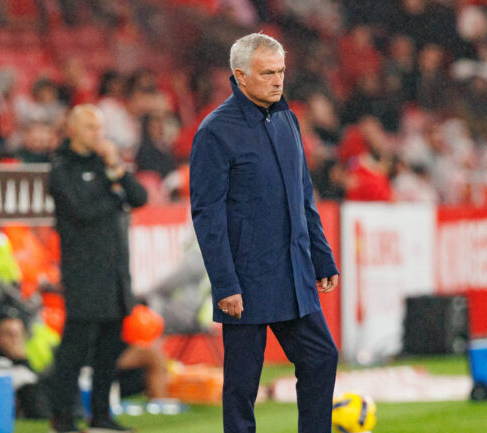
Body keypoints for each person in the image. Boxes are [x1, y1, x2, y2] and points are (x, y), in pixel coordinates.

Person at [190, 33, 340, 433]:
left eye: (281, 72)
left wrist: (322, 257)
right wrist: (224, 284)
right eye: (268, 73)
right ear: (240, 76)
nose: (278, 81)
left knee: (321, 357)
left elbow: (303, 194)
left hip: (293, 271)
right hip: (246, 279)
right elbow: (207, 215)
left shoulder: (287, 119)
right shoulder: (214, 131)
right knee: (242, 386)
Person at [47, 104, 148, 433]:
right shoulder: (62, 168)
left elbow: (140, 197)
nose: (98, 135)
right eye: (91, 128)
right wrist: (112, 194)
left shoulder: (106, 165)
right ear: (73, 130)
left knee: (109, 349)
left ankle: (101, 415)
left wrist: (116, 169)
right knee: (74, 349)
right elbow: (81, 210)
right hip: (83, 273)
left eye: (100, 128)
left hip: (115, 273)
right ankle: (62, 417)